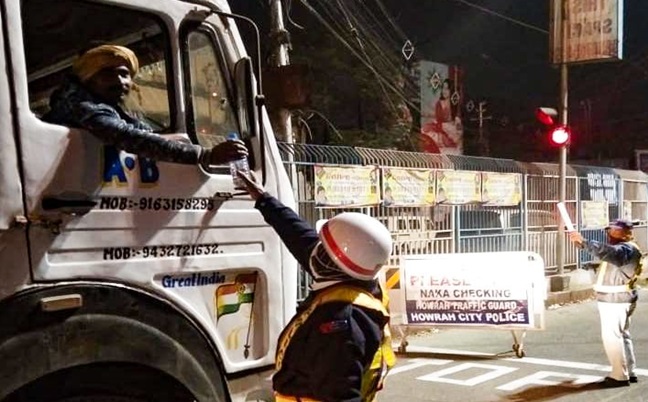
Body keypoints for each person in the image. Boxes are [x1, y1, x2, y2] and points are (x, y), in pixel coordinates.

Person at [235, 170, 396, 402]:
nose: (314, 249)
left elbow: (341, 395)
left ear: (332, 262)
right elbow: (298, 235)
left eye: (322, 248)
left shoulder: (342, 324)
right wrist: (263, 199)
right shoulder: (354, 281)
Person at [43, 44, 246, 166]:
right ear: (88, 78)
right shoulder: (81, 104)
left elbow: (140, 131)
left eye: (124, 74)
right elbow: (126, 136)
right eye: (107, 74)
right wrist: (206, 155)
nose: (120, 82)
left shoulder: (107, 104)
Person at [568, 219, 644, 388]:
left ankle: (619, 376)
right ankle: (629, 372)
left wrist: (585, 242)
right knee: (622, 336)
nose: (608, 233)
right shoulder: (626, 248)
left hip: (615, 301)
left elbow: (609, 252)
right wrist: (582, 244)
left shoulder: (626, 249)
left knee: (612, 338)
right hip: (620, 299)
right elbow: (607, 253)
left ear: (623, 233)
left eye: (611, 230)